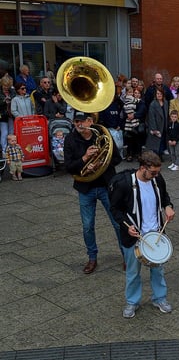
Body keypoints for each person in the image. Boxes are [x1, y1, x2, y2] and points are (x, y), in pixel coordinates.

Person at [108, 151, 175, 318]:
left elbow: (165, 197)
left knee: (158, 271)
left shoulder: (157, 180)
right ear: (143, 168)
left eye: (158, 172)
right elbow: (115, 209)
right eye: (153, 172)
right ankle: (132, 302)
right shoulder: (124, 184)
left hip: (155, 233)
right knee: (132, 272)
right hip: (134, 236)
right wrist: (126, 226)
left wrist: (168, 206)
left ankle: (159, 298)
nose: (156, 175)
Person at [63, 112, 123, 274]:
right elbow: (68, 166)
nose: (78, 124)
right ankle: (92, 258)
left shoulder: (104, 134)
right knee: (88, 226)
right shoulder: (70, 139)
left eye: (82, 121)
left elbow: (117, 158)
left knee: (117, 223)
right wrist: (84, 159)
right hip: (85, 188)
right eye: (76, 121)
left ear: (90, 121)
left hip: (105, 185)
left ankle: (126, 255)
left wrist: (99, 162)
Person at [145, 88, 169, 159]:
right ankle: (157, 156)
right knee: (156, 142)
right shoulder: (153, 104)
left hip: (164, 125)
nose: (159, 95)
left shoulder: (165, 102)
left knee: (162, 140)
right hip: (157, 126)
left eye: (160, 94)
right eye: (158, 94)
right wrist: (154, 129)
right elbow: (151, 117)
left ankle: (160, 154)